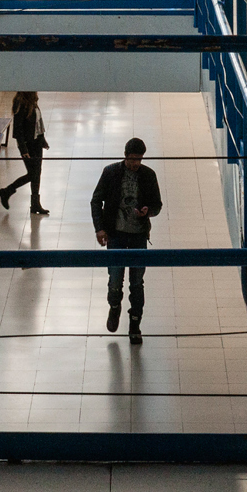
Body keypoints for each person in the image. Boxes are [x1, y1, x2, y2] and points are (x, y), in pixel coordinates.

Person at [91, 137, 162, 343]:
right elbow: (96, 200)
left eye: (139, 159)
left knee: (137, 283)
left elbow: (157, 205)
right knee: (115, 279)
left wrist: (148, 212)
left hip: (138, 236)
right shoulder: (111, 172)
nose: (136, 164)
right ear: (125, 156)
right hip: (116, 235)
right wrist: (100, 228)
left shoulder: (148, 176)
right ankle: (114, 306)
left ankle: (135, 324)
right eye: (132, 159)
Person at [0, 91, 50, 215]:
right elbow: (18, 129)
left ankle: (35, 204)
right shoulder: (21, 104)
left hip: (37, 142)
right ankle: (7, 191)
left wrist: (42, 139)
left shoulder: (32, 101)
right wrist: (23, 149)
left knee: (37, 173)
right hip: (28, 144)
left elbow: (37, 122)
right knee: (33, 174)